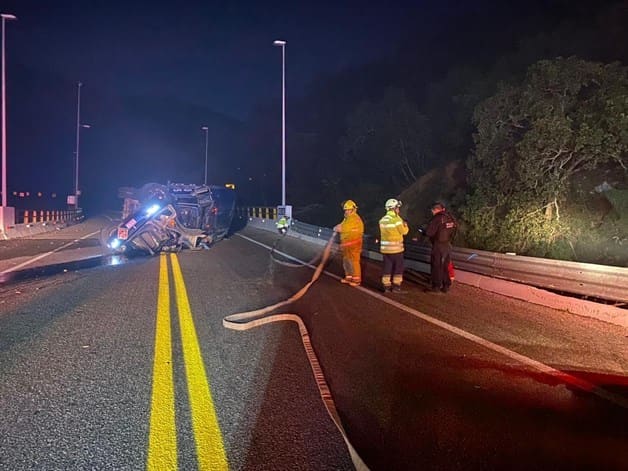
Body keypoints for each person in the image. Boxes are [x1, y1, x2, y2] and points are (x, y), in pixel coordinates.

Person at [425, 202, 457, 293]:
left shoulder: (437, 218)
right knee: (445, 266)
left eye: (432, 211)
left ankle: (436, 286)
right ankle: (446, 285)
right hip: (447, 245)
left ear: (435, 210)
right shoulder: (450, 218)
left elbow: (429, 232)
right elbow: (455, 230)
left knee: (436, 265)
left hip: (438, 245)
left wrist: (423, 231)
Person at [379, 198, 409, 292]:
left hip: (385, 250)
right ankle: (396, 286)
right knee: (398, 268)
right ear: (394, 208)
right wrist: (405, 225)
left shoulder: (382, 220)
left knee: (387, 267)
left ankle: (386, 286)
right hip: (396, 249)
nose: (399, 210)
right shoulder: (397, 220)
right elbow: (404, 232)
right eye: (398, 208)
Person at [333, 200, 364, 287]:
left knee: (354, 261)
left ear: (353, 210)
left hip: (353, 245)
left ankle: (356, 279)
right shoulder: (348, 218)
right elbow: (342, 225)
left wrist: (337, 228)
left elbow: (343, 228)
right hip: (347, 245)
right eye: (345, 210)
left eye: (348, 210)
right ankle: (349, 277)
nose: (346, 211)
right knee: (347, 261)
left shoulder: (354, 218)